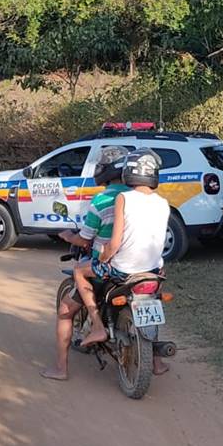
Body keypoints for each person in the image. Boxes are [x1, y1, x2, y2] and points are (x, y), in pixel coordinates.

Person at [41, 145, 131, 381]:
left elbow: (85, 239)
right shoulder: (139, 197)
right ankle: (157, 362)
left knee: (65, 311)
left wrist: (68, 236)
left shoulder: (102, 200)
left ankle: (61, 368)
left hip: (108, 267)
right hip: (141, 267)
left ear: (104, 170)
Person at [76, 149, 170, 372]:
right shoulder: (163, 202)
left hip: (123, 270)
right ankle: (156, 362)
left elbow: (115, 243)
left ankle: (97, 326)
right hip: (153, 270)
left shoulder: (123, 198)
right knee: (151, 302)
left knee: (79, 271)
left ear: (129, 171)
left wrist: (104, 257)